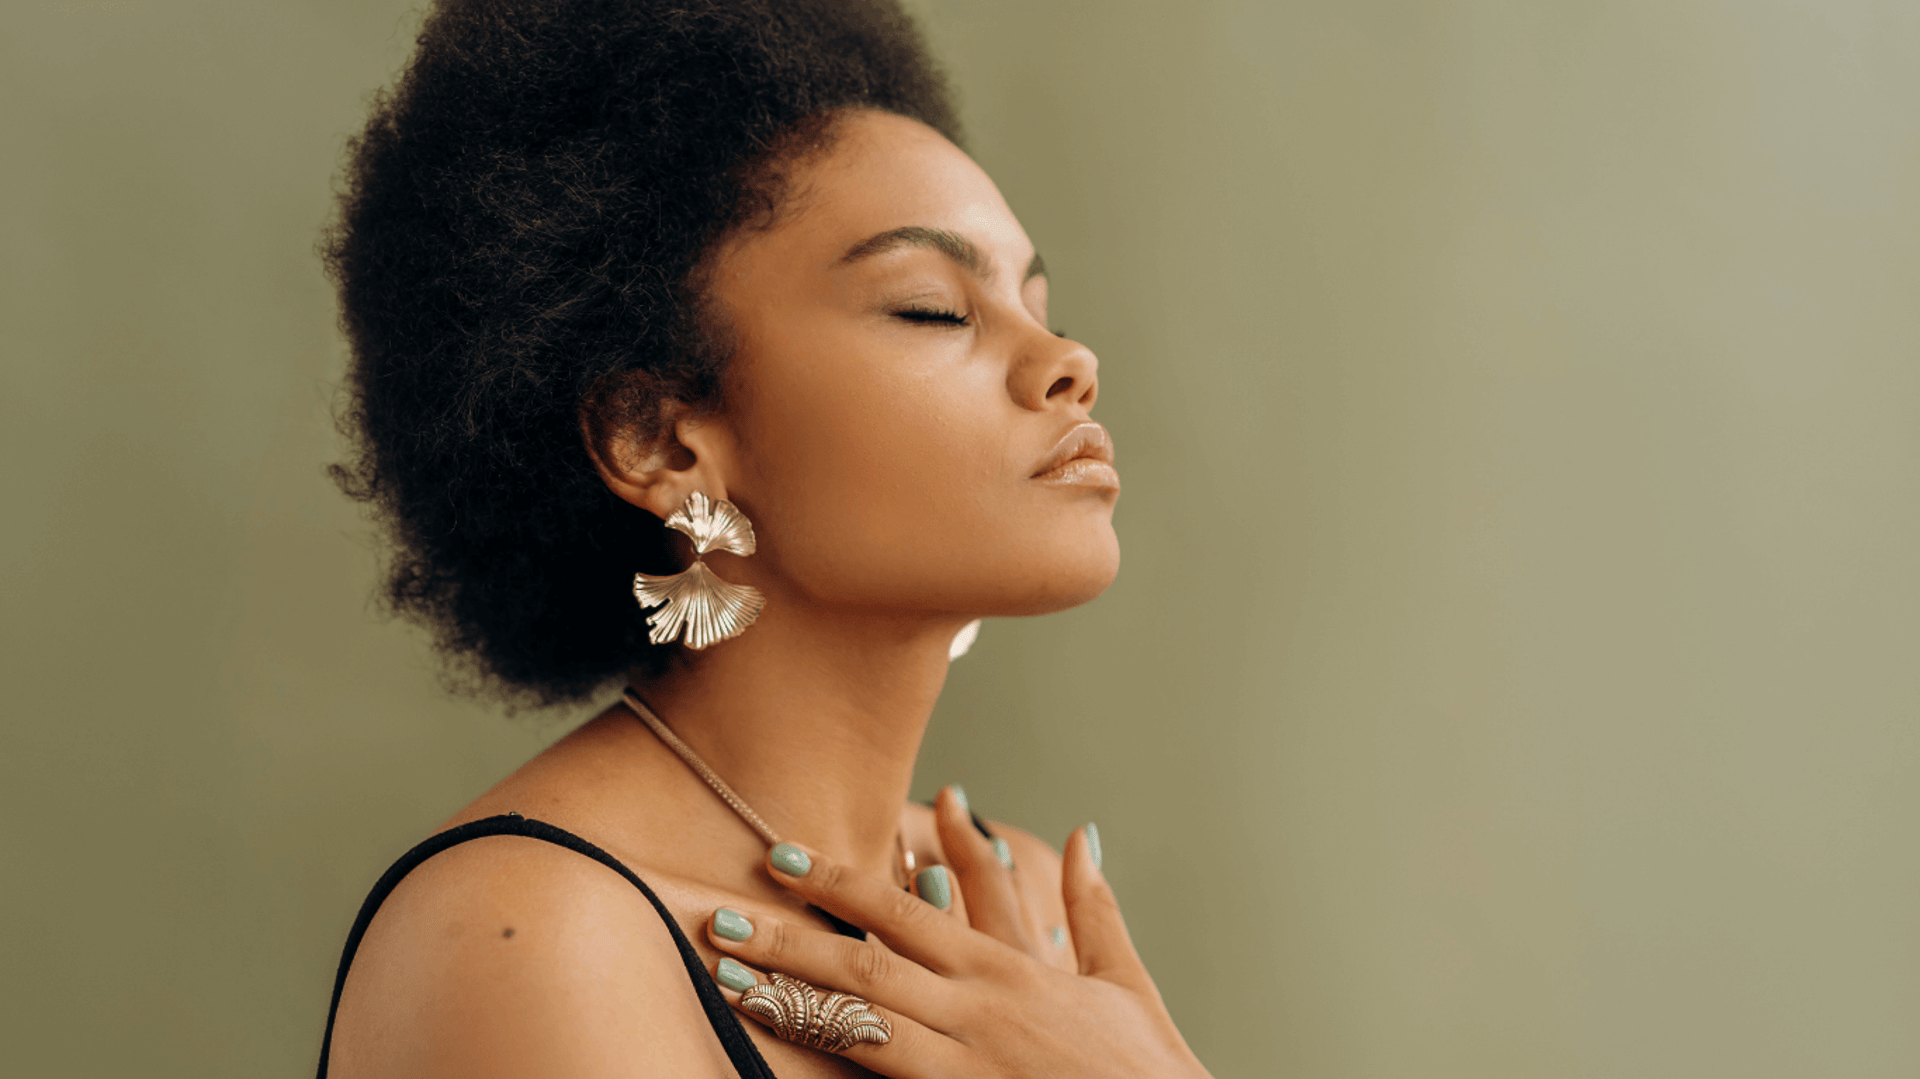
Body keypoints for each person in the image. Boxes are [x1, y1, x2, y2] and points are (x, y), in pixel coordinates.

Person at [318, 1, 1212, 1076]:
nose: (1068, 357)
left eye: (1035, 301)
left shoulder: (1015, 911)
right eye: (933, 308)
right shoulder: (537, 933)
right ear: (659, 439)